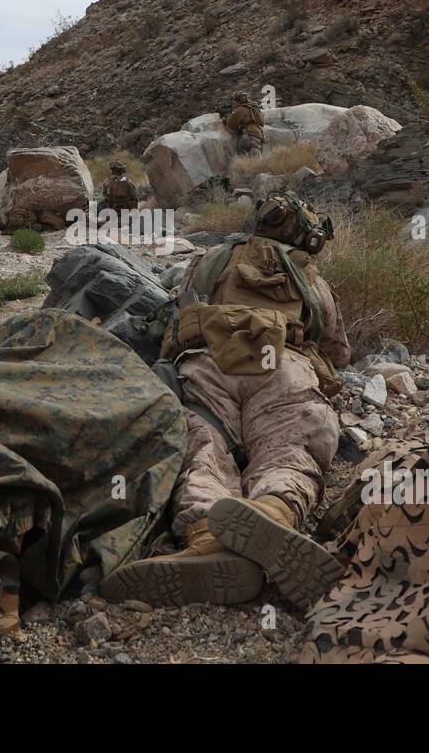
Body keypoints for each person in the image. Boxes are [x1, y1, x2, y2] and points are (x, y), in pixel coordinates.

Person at [102, 190, 351, 609]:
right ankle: (273, 512)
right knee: (291, 448)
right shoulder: (311, 277)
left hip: (208, 363)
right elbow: (338, 350)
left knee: (203, 448)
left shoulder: (209, 260)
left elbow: (179, 310)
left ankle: (206, 537)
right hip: (280, 367)